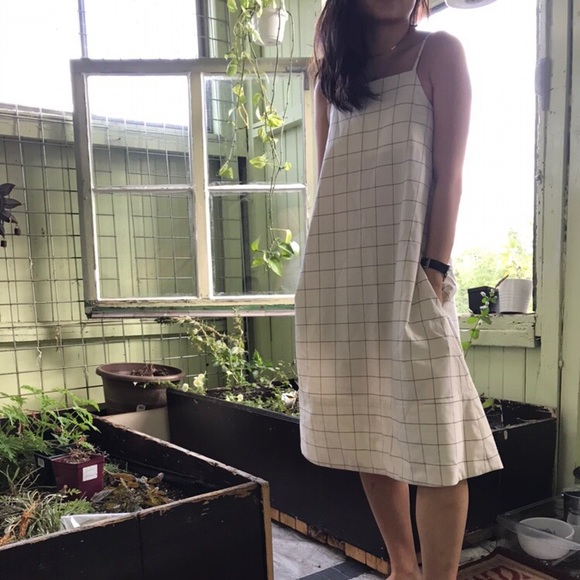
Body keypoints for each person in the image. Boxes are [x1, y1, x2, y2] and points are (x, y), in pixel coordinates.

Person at [294, 1, 503, 579]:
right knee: (371, 430)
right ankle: (403, 569)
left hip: (412, 275)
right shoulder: (332, 76)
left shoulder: (438, 52)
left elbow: (449, 175)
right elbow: (327, 183)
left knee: (439, 447)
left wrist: (434, 268)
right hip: (343, 279)